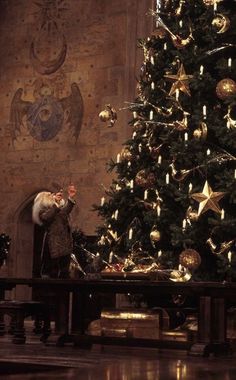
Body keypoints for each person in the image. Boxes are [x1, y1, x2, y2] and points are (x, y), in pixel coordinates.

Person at [32, 184, 77, 278]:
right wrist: (56, 203)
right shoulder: (43, 211)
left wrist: (71, 198)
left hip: (64, 244)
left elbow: (65, 211)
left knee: (64, 269)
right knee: (50, 269)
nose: (53, 195)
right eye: (50, 195)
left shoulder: (57, 210)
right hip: (52, 244)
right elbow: (47, 217)